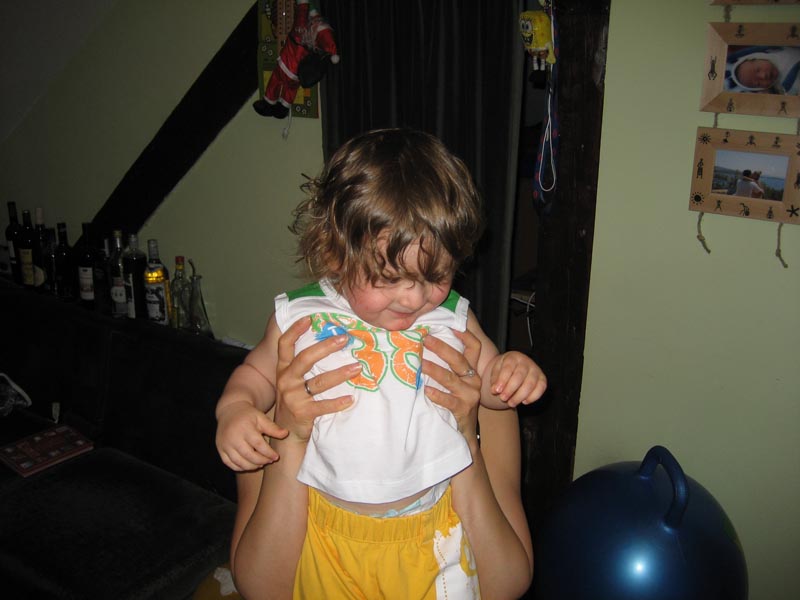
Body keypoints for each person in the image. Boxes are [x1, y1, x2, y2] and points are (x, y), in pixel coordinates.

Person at [216, 129, 547, 599]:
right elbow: (254, 374)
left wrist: (512, 371)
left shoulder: (452, 316)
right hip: (327, 534)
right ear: (335, 253)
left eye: (435, 275)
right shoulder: (300, 314)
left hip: (434, 531)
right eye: (389, 278)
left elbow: (491, 387)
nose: (414, 297)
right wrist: (234, 409)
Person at [725, 46, 800, 96]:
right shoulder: (784, 88)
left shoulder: (776, 49)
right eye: (758, 83)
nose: (763, 76)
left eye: (758, 70)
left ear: (758, 57)